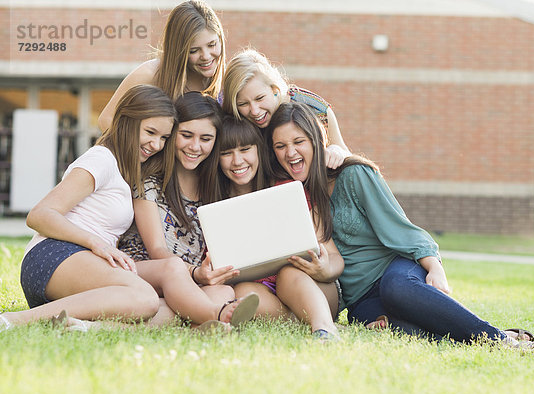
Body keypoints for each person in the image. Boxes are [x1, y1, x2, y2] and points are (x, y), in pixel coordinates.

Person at [265, 102, 534, 355]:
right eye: (280, 146)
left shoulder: (354, 175)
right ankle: (490, 337)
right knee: (393, 328)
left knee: (396, 290)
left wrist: (435, 268)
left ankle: (501, 341)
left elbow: (401, 227)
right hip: (361, 299)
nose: (290, 152)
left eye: (298, 141)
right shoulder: (292, 196)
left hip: (395, 272)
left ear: (316, 140)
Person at [0, 85, 177, 331]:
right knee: (144, 298)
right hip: (55, 255)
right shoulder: (101, 159)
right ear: (127, 121)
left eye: (164, 138)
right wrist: (96, 242)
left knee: (170, 309)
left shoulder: (127, 172)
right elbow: (39, 215)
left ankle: (85, 327)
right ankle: (13, 321)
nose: (156, 144)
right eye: (150, 132)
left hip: (84, 266)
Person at [118, 92, 258, 330]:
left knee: (223, 290)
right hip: (143, 273)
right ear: (172, 134)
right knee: (200, 292)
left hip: (188, 285)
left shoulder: (213, 191)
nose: (195, 146)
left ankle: (108, 327)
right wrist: (195, 274)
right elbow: (157, 250)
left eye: (206, 138)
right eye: (186, 135)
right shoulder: (149, 183)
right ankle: (217, 316)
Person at [208, 115, 342, 339]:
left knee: (288, 273)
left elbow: (336, 258)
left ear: (259, 150)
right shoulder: (216, 208)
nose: (237, 160)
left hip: (314, 286)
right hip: (264, 294)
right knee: (241, 292)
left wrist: (324, 270)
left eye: (245, 150)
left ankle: (325, 330)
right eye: (226, 153)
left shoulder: (288, 191)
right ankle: (305, 322)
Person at [98, 0, 226, 132]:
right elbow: (106, 120)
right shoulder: (150, 74)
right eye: (193, 50)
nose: (206, 56)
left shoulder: (228, 81)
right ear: (178, 50)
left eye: (212, 45)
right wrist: (138, 151)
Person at [221, 48, 350, 169]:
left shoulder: (316, 109)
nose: (254, 111)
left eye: (260, 98)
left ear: (274, 90)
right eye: (243, 104)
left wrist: (336, 150)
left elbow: (346, 153)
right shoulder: (235, 123)